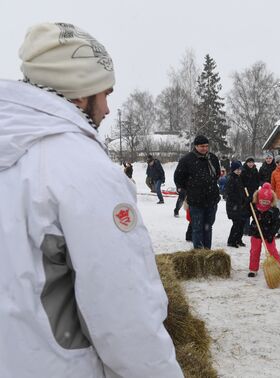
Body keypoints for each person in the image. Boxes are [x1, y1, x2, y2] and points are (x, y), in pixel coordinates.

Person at [0, 22, 182, 377]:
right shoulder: (82, 169)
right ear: (80, 94)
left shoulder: (12, 151)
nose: (108, 109)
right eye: (105, 94)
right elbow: (124, 314)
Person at [174, 135, 221, 249]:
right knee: (197, 227)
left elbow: (217, 174)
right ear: (195, 146)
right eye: (201, 146)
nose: (204, 148)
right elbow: (178, 177)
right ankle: (199, 253)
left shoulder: (212, 158)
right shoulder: (187, 160)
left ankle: (207, 252)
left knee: (208, 227)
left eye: (206, 146)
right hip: (196, 200)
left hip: (211, 199)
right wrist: (186, 190)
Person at [248, 183, 280, 277]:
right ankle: (253, 269)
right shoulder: (254, 207)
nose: (264, 203)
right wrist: (246, 203)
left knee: (272, 251)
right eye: (263, 201)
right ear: (259, 199)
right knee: (254, 251)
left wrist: (272, 233)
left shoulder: (274, 210)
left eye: (267, 202)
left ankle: (278, 268)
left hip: (268, 234)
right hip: (256, 232)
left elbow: (277, 223)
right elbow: (244, 213)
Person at [225, 161, 247, 248]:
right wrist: (239, 200)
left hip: (239, 205)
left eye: (239, 169)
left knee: (241, 222)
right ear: (233, 169)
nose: (238, 171)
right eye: (236, 169)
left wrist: (245, 199)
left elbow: (241, 191)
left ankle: (238, 239)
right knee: (237, 223)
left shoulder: (238, 178)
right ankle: (231, 240)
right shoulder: (231, 179)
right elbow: (230, 194)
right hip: (233, 206)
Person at [241, 156, 260, 235]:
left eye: (252, 162)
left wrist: (256, 188)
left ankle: (253, 228)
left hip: (253, 193)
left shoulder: (255, 170)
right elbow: (242, 182)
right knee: (246, 212)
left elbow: (257, 180)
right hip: (245, 193)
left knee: (254, 212)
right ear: (246, 163)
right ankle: (246, 229)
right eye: (249, 162)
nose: (250, 164)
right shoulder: (243, 170)